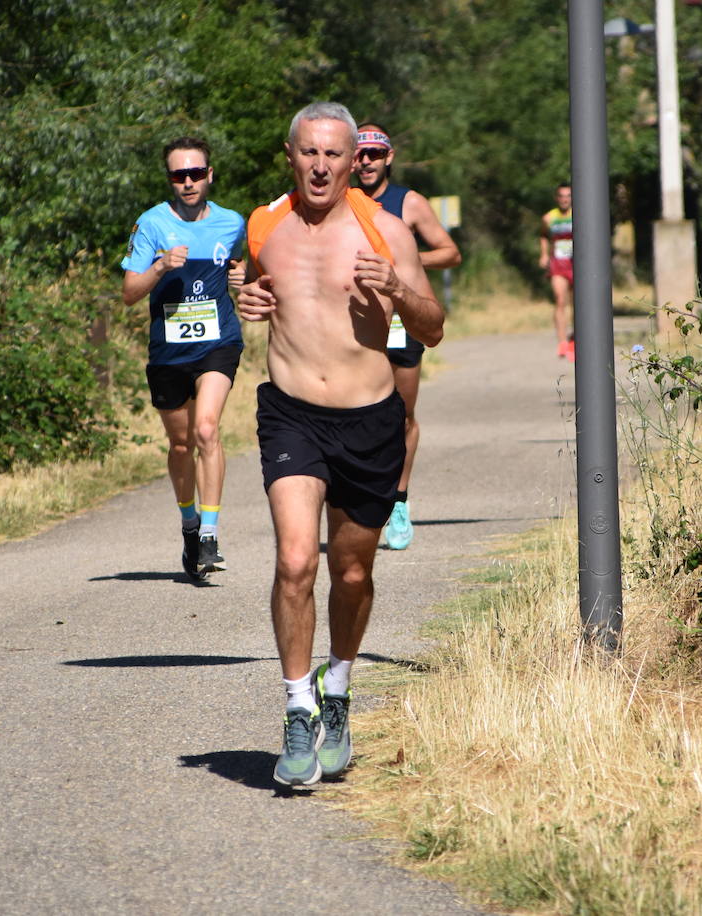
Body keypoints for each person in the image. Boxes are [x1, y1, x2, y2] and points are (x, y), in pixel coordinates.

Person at [238, 102, 443, 787]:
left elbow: (434, 326)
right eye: (309, 153)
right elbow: (257, 287)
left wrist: (398, 292)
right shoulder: (264, 225)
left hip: (369, 420)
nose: (320, 166)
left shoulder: (384, 230)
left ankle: (339, 689)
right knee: (296, 560)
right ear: (290, 156)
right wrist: (249, 301)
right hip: (292, 413)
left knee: (351, 573)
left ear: (355, 161)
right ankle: (298, 708)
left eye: (334, 155)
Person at [121, 137, 246, 582]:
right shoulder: (152, 224)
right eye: (180, 175)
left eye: (196, 173)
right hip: (169, 350)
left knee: (207, 429)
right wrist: (158, 268)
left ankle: (210, 534)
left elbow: (247, 274)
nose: (189, 182)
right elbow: (129, 293)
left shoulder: (233, 223)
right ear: (170, 180)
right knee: (181, 445)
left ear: (210, 175)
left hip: (218, 342)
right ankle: (190, 523)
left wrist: (246, 276)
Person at [352, 122, 461, 551]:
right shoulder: (341, 203)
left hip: (401, 316)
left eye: (374, 154)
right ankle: (361, 498)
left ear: (389, 158)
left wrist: (404, 265)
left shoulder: (409, 202)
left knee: (401, 414)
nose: (366, 162)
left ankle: (398, 500)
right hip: (357, 318)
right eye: (359, 154)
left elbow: (451, 252)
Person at [538, 182, 575, 361]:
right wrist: (544, 254)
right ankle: (562, 342)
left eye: (568, 196)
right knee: (560, 299)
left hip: (577, 263)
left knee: (578, 303)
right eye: (561, 196)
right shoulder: (548, 218)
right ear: (556, 198)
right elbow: (543, 235)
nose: (565, 199)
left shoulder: (579, 214)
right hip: (559, 263)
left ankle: (576, 338)